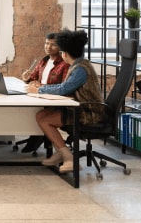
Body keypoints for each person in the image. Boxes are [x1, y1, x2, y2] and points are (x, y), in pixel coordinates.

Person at [27, 29, 104, 173]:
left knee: (44, 120)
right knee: (41, 115)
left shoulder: (80, 69)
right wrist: (43, 87)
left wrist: (39, 90)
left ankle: (69, 158)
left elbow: (63, 89)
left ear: (65, 53)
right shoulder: (79, 65)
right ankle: (61, 153)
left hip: (88, 112)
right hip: (79, 108)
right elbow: (63, 86)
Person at [17, 32, 71, 152]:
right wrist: (28, 79)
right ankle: (37, 135)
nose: (48, 47)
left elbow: (64, 87)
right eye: (46, 43)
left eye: (53, 45)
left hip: (51, 100)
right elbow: (34, 77)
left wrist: (40, 86)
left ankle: (38, 136)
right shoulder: (44, 61)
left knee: (34, 112)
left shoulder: (64, 64)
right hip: (39, 96)